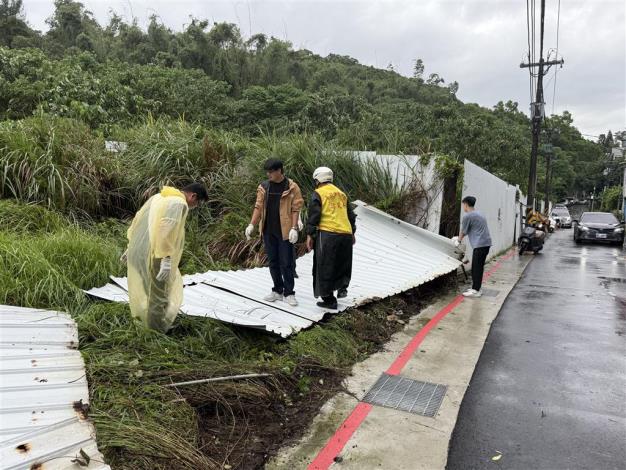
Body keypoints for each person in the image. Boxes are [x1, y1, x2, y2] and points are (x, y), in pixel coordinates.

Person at [121, 183, 208, 332]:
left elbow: (139, 221)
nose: (196, 206)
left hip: (141, 249)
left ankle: (144, 321)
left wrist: (131, 247)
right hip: (157, 254)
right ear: (192, 196)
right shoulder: (179, 204)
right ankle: (156, 332)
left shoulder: (160, 197)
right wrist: (166, 259)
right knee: (158, 295)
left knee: (148, 288)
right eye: (198, 203)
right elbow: (166, 231)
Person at [245, 159, 304, 306]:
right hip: (268, 230)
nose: (268, 174)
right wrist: (252, 224)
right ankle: (277, 290)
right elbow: (258, 207)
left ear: (279, 171)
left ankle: (289, 293)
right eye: (267, 172)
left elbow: (296, 208)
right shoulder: (264, 187)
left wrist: (294, 227)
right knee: (273, 261)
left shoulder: (291, 187)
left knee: (287, 262)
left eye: (271, 171)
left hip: (285, 231)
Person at [305, 166, 356, 309]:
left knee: (325, 266)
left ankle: (329, 300)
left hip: (328, 234)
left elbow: (314, 215)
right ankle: (342, 288)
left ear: (318, 179)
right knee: (341, 264)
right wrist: (352, 233)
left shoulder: (319, 193)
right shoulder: (342, 194)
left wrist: (309, 234)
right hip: (345, 234)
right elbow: (351, 216)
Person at [457, 195, 492, 298]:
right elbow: (471, 229)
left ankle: (476, 290)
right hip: (486, 243)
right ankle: (476, 288)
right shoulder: (479, 213)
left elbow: (463, 231)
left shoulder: (468, 216)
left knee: (476, 268)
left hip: (480, 245)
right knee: (478, 267)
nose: (463, 207)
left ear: (466, 204)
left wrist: (458, 240)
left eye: (463, 205)